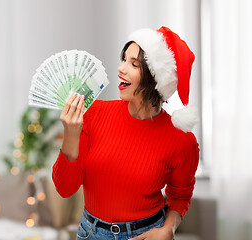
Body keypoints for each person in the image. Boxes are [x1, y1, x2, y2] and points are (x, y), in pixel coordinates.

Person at [52, 26, 200, 240]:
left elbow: (180, 196)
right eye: (123, 59)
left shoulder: (182, 141)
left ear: (155, 77)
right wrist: (71, 134)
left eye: (133, 64)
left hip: (147, 234)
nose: (121, 68)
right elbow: (65, 188)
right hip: (90, 233)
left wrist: (168, 229)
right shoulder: (95, 113)